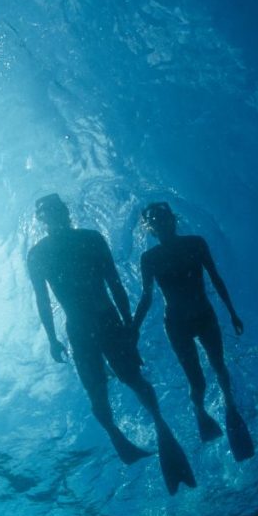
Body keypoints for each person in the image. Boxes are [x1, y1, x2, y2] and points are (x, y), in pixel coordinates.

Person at [27, 194, 195, 494]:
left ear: (65, 212)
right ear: (45, 219)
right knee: (99, 389)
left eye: (58, 210)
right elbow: (43, 299)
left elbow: (114, 281)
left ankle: (159, 429)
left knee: (129, 379)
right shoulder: (43, 253)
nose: (56, 215)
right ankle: (122, 438)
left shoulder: (85, 240)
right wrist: (52, 339)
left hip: (105, 323)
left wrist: (129, 324)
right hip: (86, 327)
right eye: (50, 212)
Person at [133, 202, 254, 462]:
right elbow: (146, 297)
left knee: (219, 365)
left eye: (163, 218)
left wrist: (232, 312)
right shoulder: (149, 259)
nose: (161, 223)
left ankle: (230, 406)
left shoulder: (195, 243)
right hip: (176, 324)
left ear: (172, 220)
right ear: (150, 228)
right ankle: (200, 412)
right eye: (155, 221)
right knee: (197, 380)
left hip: (204, 316)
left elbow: (215, 277)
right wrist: (133, 329)